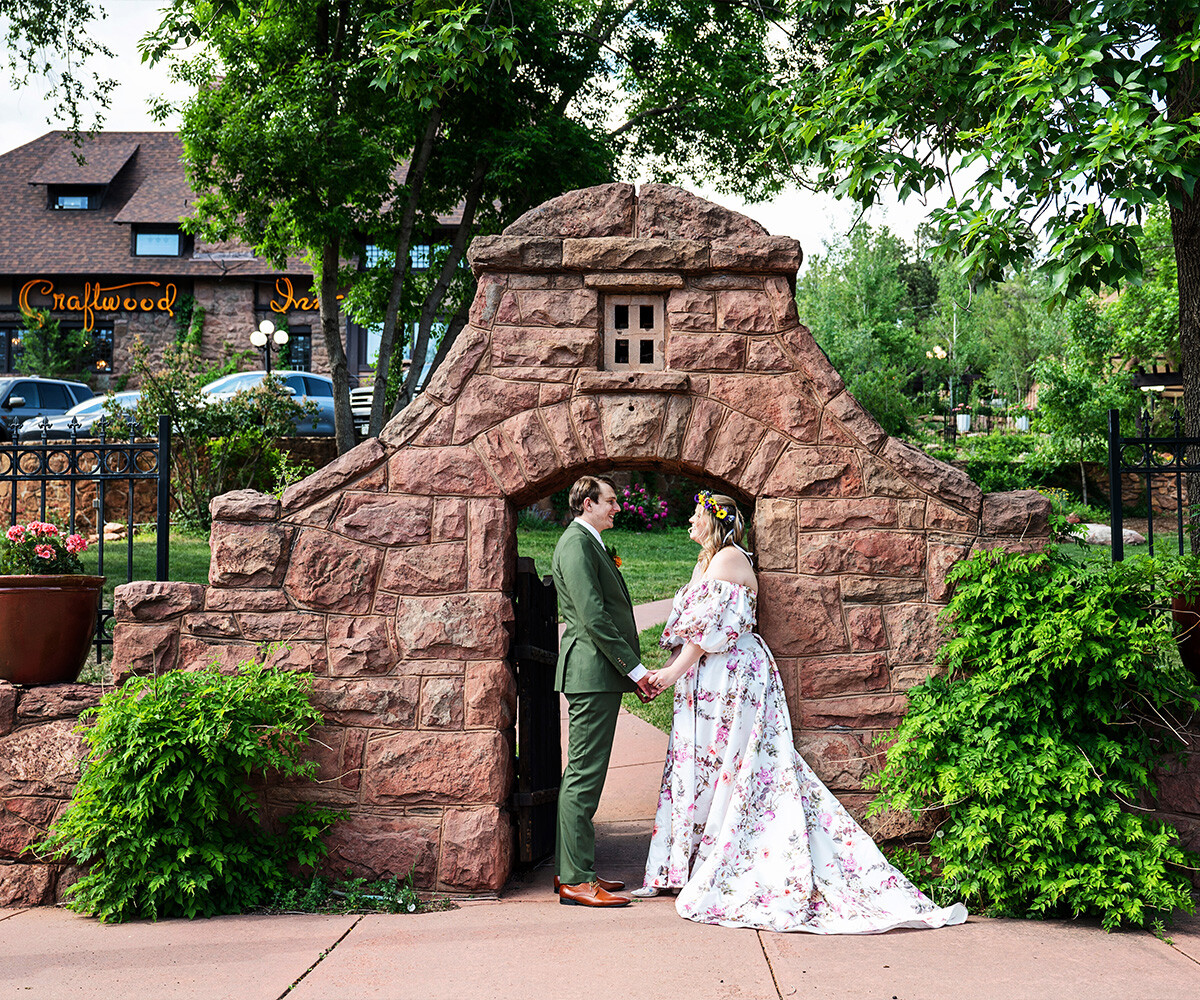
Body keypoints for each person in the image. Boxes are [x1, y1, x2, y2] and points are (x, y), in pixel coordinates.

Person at [634, 491, 968, 933]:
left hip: (730, 675)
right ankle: (684, 864)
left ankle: (726, 858)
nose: (689, 524)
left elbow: (709, 630)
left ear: (715, 523)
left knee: (736, 765)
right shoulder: (706, 563)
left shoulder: (729, 559)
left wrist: (673, 673)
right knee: (703, 764)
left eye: (695, 517)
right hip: (707, 678)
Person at [552, 475, 658, 908]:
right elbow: (593, 617)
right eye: (611, 501)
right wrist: (635, 671)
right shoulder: (575, 543)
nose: (617, 508)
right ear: (588, 503)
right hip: (590, 674)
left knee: (585, 775)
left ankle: (577, 870)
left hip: (598, 676)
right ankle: (576, 880)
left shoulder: (588, 540)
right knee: (583, 776)